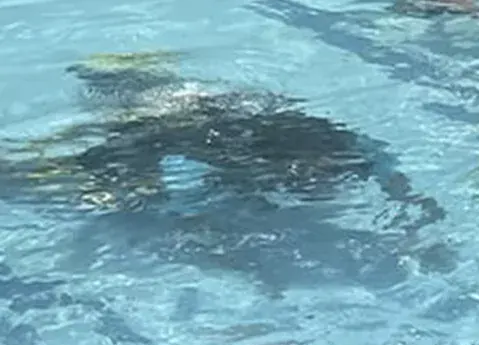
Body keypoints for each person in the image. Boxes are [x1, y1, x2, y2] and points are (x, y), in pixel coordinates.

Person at [0, 56, 437, 223]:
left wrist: (415, 206)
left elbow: (386, 167)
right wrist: (145, 194)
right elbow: (148, 149)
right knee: (114, 182)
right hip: (183, 114)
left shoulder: (345, 150)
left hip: (224, 111)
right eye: (310, 176)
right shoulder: (211, 139)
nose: (315, 183)